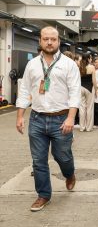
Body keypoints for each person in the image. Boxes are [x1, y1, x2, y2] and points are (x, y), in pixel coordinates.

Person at [15, 26, 81, 211]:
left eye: (53, 39)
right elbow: (25, 90)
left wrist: (70, 118)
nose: (49, 42)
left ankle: (69, 174)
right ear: (40, 41)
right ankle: (43, 195)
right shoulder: (32, 64)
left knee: (62, 157)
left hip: (61, 119)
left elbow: (75, 93)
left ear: (59, 41)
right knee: (38, 161)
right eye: (46, 39)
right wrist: (20, 116)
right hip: (36, 119)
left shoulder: (69, 64)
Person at [79, 53, 97, 132]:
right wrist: (96, 90)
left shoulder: (79, 66)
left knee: (82, 108)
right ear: (89, 58)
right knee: (89, 108)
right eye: (91, 58)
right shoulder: (92, 67)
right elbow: (93, 80)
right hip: (89, 88)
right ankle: (89, 127)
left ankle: (82, 127)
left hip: (80, 88)